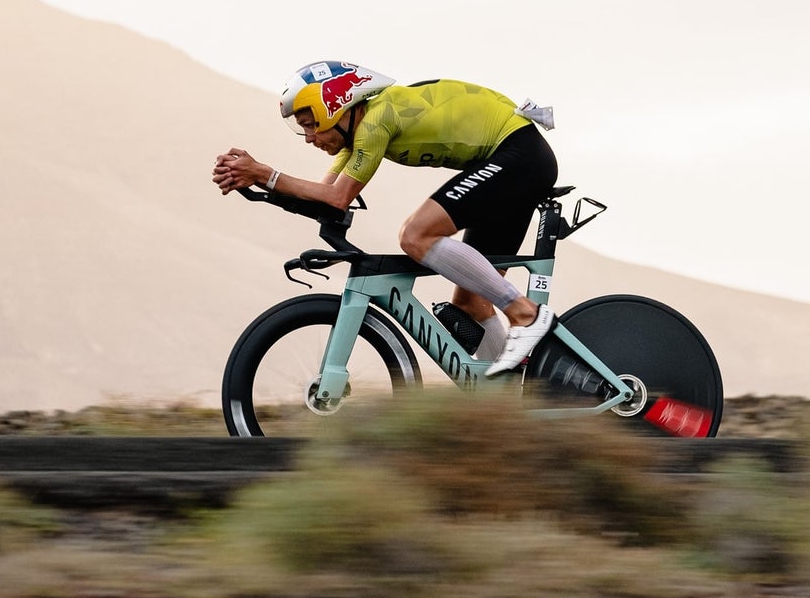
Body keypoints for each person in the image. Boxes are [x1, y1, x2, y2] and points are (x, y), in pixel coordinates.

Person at [212, 63, 558, 374]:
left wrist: (264, 173)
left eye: (310, 125)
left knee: (415, 235)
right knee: (470, 302)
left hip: (519, 155)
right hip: (514, 161)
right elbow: (325, 198)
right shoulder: (357, 137)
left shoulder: (377, 120)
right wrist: (255, 182)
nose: (309, 138)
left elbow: (337, 197)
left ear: (334, 107)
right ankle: (512, 399)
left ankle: (525, 315)